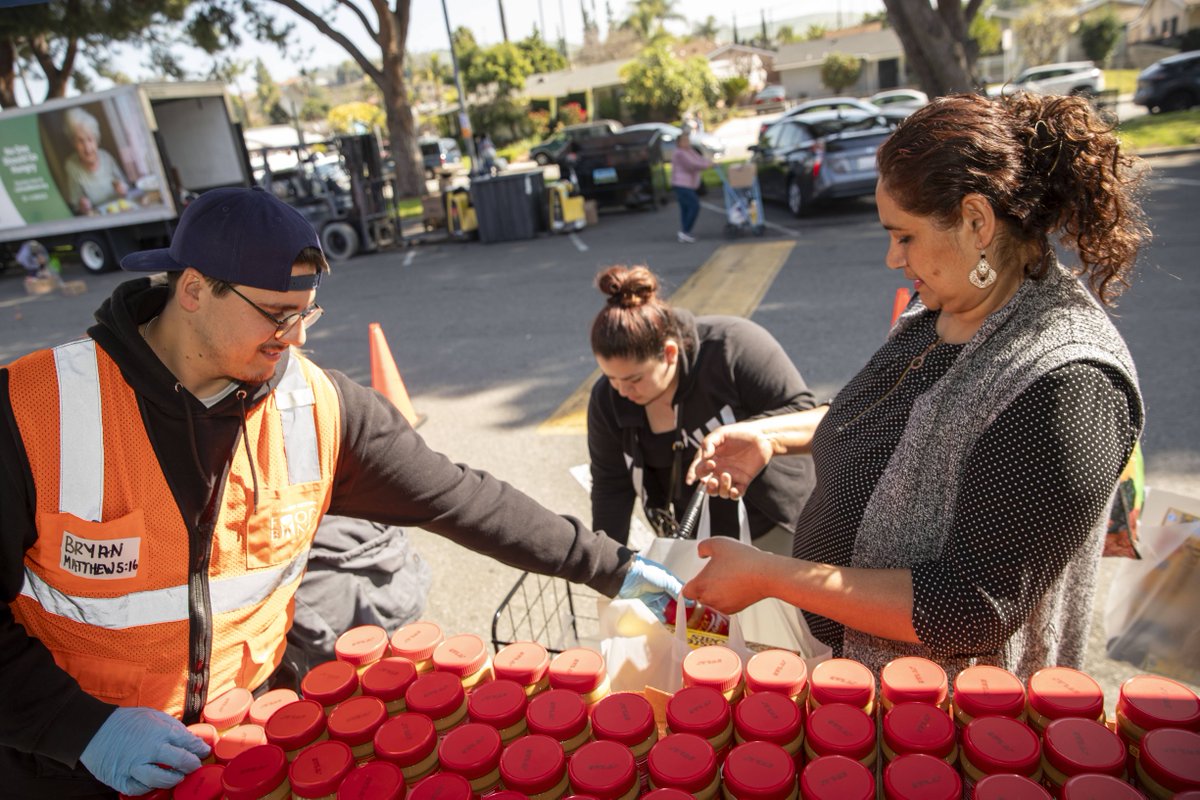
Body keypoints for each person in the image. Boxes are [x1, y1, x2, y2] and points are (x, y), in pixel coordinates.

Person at [0, 186, 680, 798]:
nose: (292, 338)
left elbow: (462, 498)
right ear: (194, 289)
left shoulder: (315, 406)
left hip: (249, 747)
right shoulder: (35, 409)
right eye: (274, 314)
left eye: (306, 315)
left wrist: (617, 570)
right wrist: (84, 730)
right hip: (68, 761)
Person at [684, 93, 1148, 682]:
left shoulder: (1068, 382)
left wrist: (769, 575)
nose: (891, 257)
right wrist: (771, 437)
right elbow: (896, 422)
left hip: (947, 719)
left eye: (904, 237)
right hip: (854, 675)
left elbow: (973, 607)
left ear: (976, 221)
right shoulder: (943, 306)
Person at [588, 265, 816, 554]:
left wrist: (752, 433)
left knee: (795, 598)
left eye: (634, 379)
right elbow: (611, 485)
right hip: (697, 542)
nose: (622, 391)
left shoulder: (733, 346)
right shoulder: (607, 399)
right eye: (611, 378)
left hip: (775, 523)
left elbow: (801, 411)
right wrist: (607, 566)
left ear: (670, 353)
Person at [62, 107, 129, 215]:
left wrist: (122, 188)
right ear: (74, 143)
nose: (87, 148)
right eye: (80, 141)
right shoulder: (71, 166)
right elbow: (75, 205)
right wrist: (82, 206)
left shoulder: (106, 157)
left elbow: (125, 187)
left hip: (120, 211)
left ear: (96, 140)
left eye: (90, 139)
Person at [670, 129, 711, 243]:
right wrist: (707, 165)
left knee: (686, 208)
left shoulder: (689, 151)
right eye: (684, 141)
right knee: (694, 205)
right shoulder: (680, 153)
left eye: (687, 140)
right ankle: (685, 230)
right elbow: (692, 165)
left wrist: (708, 163)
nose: (687, 142)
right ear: (679, 143)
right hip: (681, 183)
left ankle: (685, 231)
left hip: (688, 184)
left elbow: (699, 159)